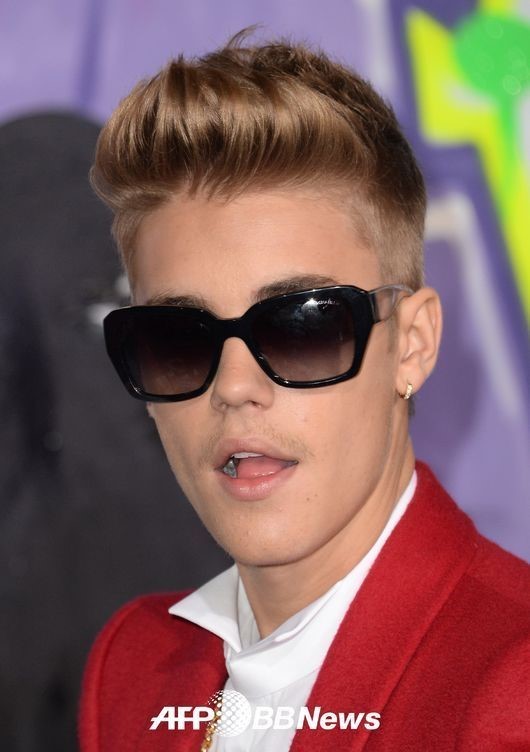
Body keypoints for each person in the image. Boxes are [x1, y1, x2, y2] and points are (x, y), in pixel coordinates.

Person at [78, 29, 530, 751]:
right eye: (177, 339)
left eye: (301, 326)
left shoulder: (514, 684)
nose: (234, 387)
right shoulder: (131, 667)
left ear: (412, 344)